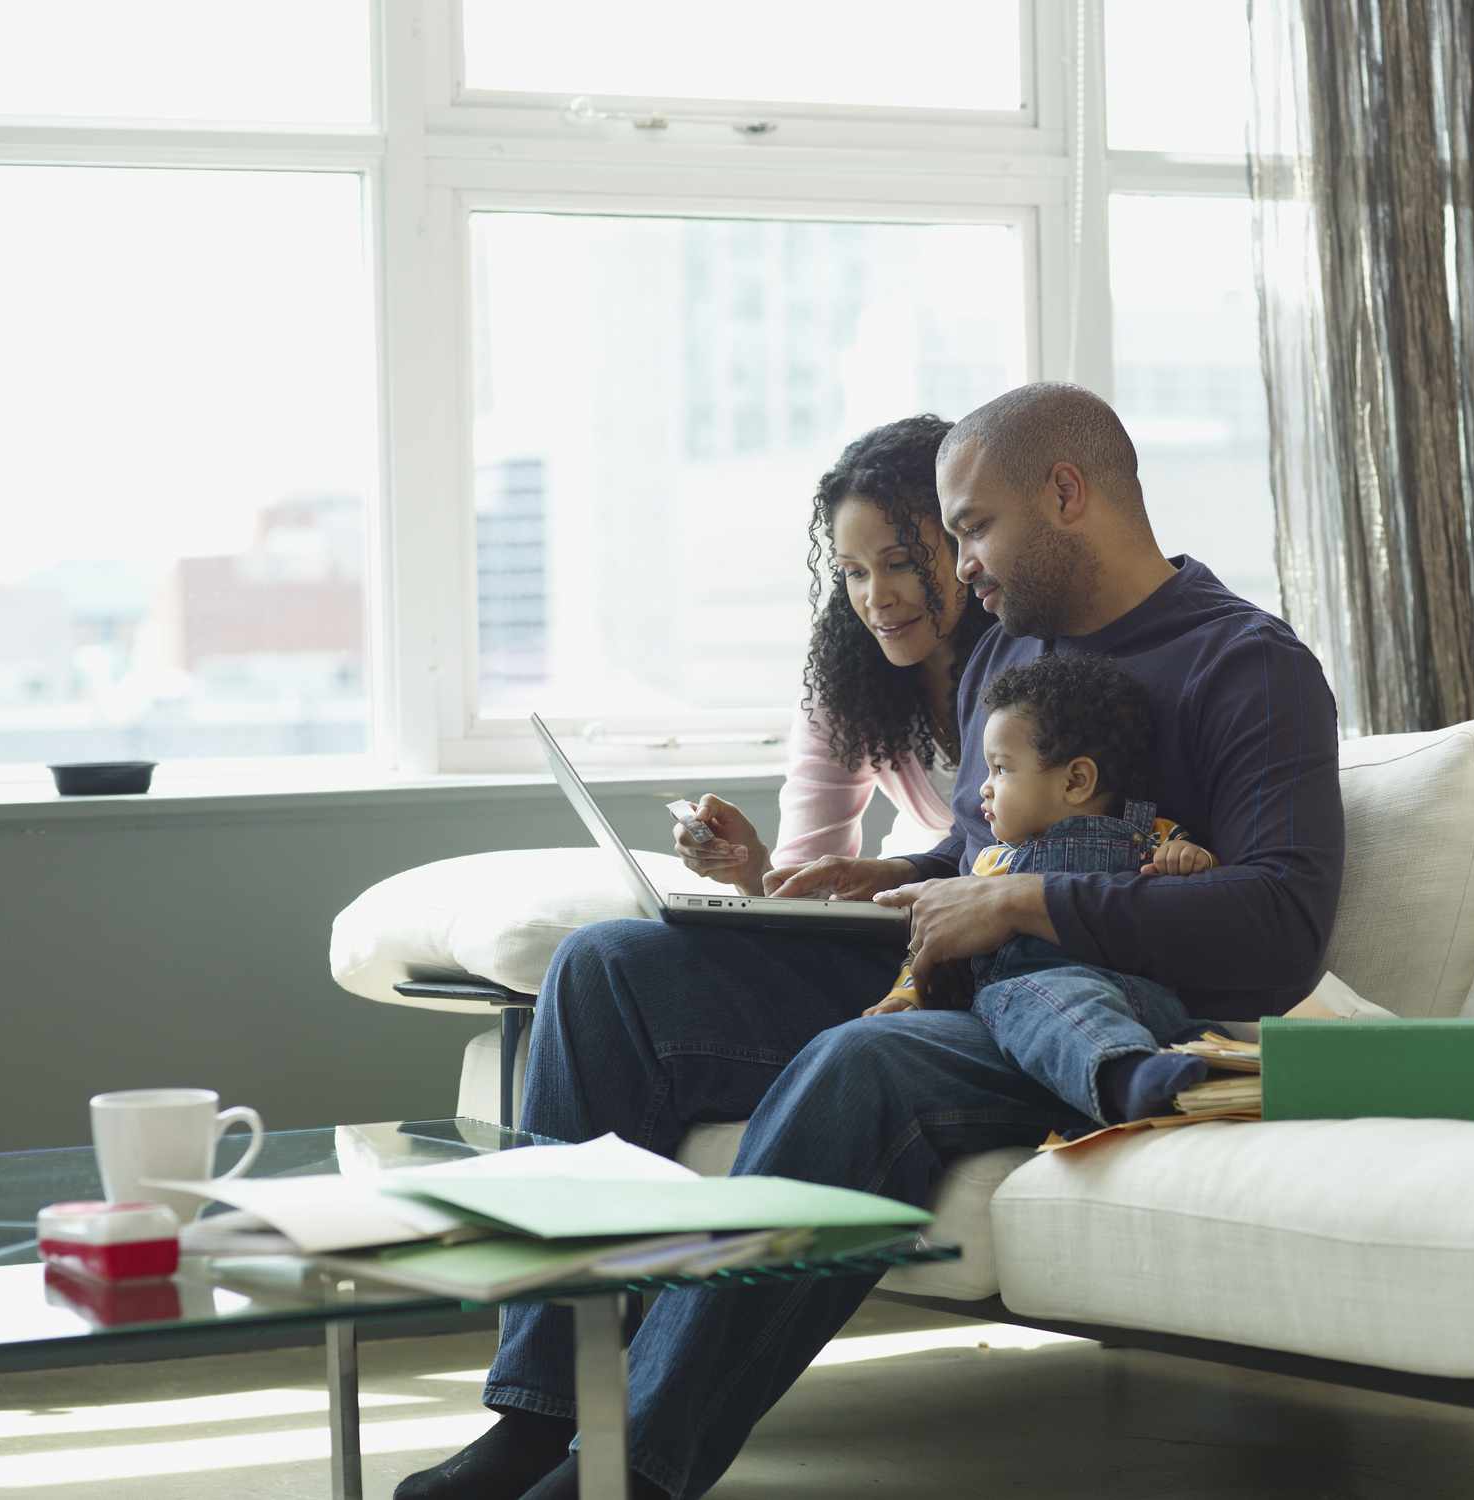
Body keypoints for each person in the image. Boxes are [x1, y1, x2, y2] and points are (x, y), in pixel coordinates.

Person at [395, 383, 1345, 1500]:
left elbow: (1280, 927)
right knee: (607, 970)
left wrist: (1021, 909)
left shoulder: (1246, 667)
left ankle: (626, 1476)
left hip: (1091, 1015)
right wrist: (894, 877)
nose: (961, 566)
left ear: (1067, 493)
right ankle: (537, 1416)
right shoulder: (1007, 654)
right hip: (953, 976)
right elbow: (984, 856)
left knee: (861, 1062)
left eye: (971, 529)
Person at [865, 651, 1222, 1125]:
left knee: (1034, 1000)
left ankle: (1156, 1075)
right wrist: (906, 996)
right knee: (1024, 999)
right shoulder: (993, 863)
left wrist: (1190, 859)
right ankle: (1135, 1077)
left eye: (1001, 769)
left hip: (1138, 995)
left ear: (1076, 780)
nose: (983, 790)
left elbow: (1206, 884)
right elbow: (931, 942)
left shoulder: (1150, 834)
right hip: (1034, 1002)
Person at [670, 413, 988, 895]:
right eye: (853, 572)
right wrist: (750, 863)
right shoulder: (850, 675)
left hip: (962, 912)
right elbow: (804, 886)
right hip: (901, 916)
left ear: (964, 544)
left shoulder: (1025, 656)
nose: (876, 597)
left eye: (899, 563)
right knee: (602, 947)